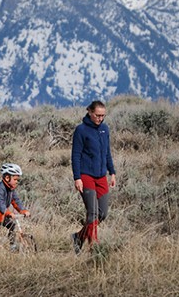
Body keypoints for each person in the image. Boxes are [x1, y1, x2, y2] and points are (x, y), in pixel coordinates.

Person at [71, 100, 116, 254]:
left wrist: (112, 172)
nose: (100, 118)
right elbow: (75, 155)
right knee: (93, 213)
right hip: (86, 176)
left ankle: (78, 237)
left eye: (103, 115)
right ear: (89, 112)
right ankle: (93, 248)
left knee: (103, 213)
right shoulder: (81, 130)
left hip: (101, 175)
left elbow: (107, 152)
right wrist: (77, 178)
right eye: (97, 115)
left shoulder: (104, 129)